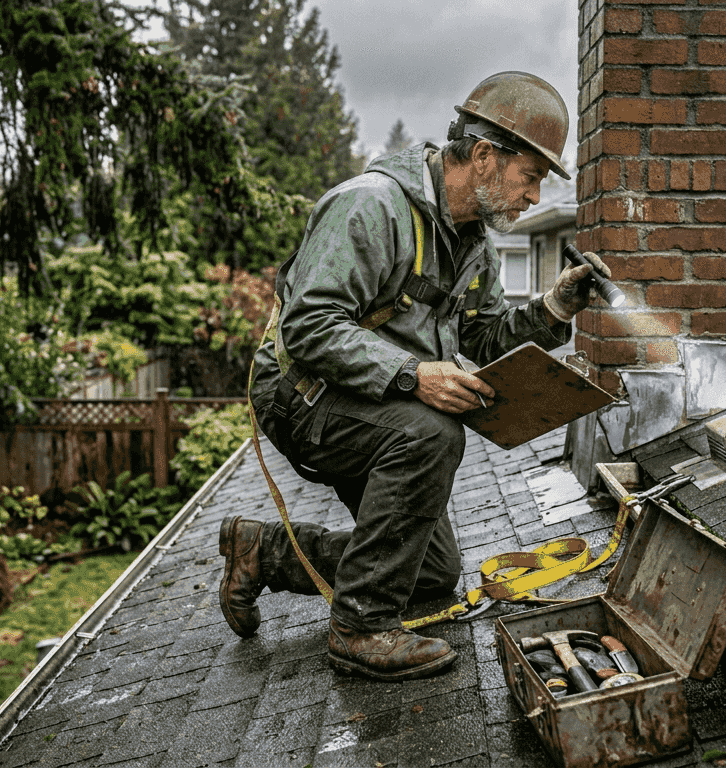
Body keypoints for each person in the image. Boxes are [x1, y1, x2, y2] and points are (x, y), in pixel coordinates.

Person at [219, 71, 611, 681]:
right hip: (302, 395)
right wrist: (414, 376)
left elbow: (480, 340)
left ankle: (264, 550)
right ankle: (360, 629)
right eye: (530, 177)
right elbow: (309, 327)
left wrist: (554, 308)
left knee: (430, 573)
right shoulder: (370, 206)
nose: (535, 198)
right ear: (484, 156)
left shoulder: (471, 244)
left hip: (369, 401)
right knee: (432, 434)